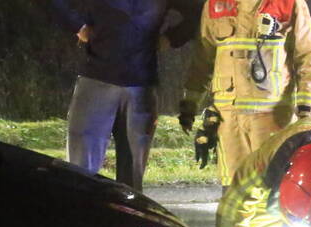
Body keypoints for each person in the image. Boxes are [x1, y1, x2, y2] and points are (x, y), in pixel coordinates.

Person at [42, 0, 199, 189]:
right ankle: (83, 215)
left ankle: (123, 217)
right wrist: (77, 25)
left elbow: (197, 12)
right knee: (80, 175)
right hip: (99, 80)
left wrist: (172, 38)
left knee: (130, 184)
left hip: (138, 86)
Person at [178, 0, 311, 189]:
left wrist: (308, 112)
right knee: (233, 189)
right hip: (228, 120)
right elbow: (203, 60)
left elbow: (309, 57)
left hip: (273, 119)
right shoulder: (215, 4)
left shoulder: (288, 3)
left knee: (274, 189)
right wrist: (189, 104)